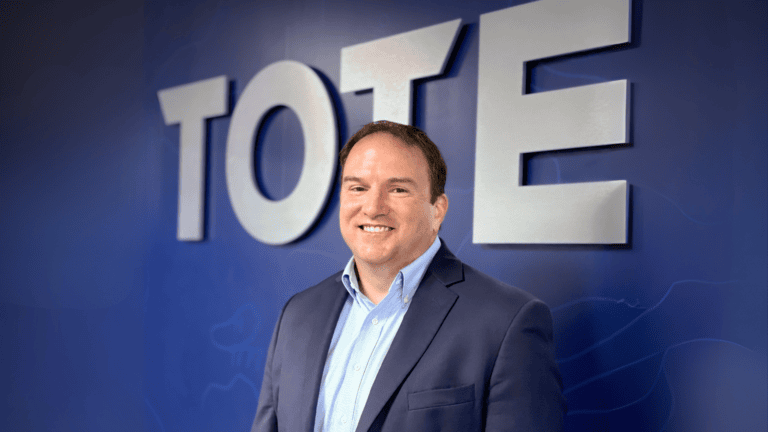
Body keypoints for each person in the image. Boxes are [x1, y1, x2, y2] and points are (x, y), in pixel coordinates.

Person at [252, 121, 565, 432]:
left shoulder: (506, 322)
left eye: (398, 189)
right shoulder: (298, 314)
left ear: (437, 210)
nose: (373, 208)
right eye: (358, 188)